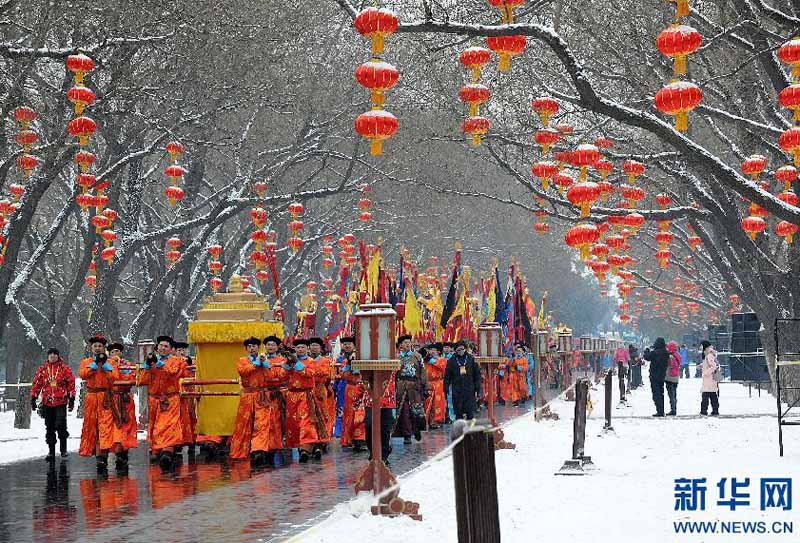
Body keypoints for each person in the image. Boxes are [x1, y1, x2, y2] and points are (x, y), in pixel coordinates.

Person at [229, 337, 287, 466]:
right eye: (249, 346)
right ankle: (241, 451)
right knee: (244, 424)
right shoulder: (242, 360)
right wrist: (256, 364)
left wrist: (265, 365)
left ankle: (258, 450)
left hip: (262, 395)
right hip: (248, 396)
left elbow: (273, 378)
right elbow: (243, 372)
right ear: (246, 349)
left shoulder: (270, 360)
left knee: (262, 423)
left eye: (254, 346)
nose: (252, 348)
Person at [138, 335, 184, 470]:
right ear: (157, 348)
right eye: (161, 346)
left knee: (168, 426)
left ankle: (167, 450)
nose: (163, 348)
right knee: (155, 425)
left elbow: (173, 373)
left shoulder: (176, 361)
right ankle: (156, 450)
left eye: (166, 346)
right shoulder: (152, 361)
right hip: (154, 399)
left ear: (171, 349)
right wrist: (147, 366)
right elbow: (141, 381)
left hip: (170, 399)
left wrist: (160, 365)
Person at [78, 335, 121, 471]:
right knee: (92, 426)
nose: (97, 348)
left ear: (104, 348)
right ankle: (96, 452)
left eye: (100, 346)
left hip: (105, 398)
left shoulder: (111, 363)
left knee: (105, 426)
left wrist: (105, 366)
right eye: (95, 346)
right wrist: (95, 366)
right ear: (92, 348)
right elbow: (82, 374)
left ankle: (102, 454)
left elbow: (115, 377)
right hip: (91, 397)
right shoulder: (86, 362)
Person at [283, 339, 328, 462]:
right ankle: (306, 447)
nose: (300, 350)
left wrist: (297, 363)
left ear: (307, 349)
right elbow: (282, 375)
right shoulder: (290, 362)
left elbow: (309, 373)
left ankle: (305, 449)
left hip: (306, 396)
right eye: (298, 348)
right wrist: (287, 365)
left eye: (303, 347)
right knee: (294, 424)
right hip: (292, 397)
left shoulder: (311, 362)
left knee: (306, 422)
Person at [30, 348, 76, 461]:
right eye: (50, 354)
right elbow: (37, 384)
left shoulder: (64, 369)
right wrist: (33, 397)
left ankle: (63, 450)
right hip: (47, 402)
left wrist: (71, 399)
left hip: (60, 401)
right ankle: (51, 451)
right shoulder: (43, 369)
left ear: (58, 356)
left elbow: (71, 383)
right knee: (49, 427)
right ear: (48, 356)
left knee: (61, 425)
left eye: (55, 354)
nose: (52, 356)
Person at [107, 342, 138, 470]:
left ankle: (124, 451)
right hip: (111, 399)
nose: (116, 354)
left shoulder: (127, 365)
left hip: (125, 399)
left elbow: (132, 377)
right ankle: (116, 450)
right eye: (113, 352)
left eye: (117, 352)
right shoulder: (106, 365)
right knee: (113, 427)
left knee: (127, 425)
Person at [392, 335, 428, 444]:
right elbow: (393, 375)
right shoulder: (397, 358)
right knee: (404, 411)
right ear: (401, 345)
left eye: (409, 342)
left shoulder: (417, 356)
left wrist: (424, 386)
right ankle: (407, 435)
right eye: (405, 342)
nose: (408, 344)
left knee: (416, 411)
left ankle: (417, 430)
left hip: (414, 386)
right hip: (401, 387)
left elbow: (423, 372)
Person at [364, 363, 396, 464]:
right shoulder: (367, 361)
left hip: (387, 401)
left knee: (385, 429)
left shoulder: (392, 362)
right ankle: (373, 452)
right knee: (369, 426)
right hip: (370, 401)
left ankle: (384, 454)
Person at [338, 336, 366, 451]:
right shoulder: (343, 360)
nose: (347, 345)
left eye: (349, 343)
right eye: (345, 344)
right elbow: (343, 376)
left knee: (360, 413)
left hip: (362, 387)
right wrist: (349, 364)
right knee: (349, 413)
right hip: (349, 389)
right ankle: (350, 438)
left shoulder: (362, 357)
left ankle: (360, 438)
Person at [443, 341, 482, 420]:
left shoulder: (471, 359)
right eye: (458, 350)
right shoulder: (452, 360)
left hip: (469, 389)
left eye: (462, 349)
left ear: (465, 349)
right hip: (457, 390)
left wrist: (478, 388)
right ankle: (460, 430)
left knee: (470, 413)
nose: (460, 351)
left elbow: (477, 375)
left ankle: (470, 430)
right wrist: (446, 388)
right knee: (458, 413)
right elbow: (447, 376)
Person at [308, 337, 334, 452]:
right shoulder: (306, 360)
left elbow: (324, 374)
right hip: (308, 391)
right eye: (312, 345)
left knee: (323, 414)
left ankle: (323, 438)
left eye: (316, 346)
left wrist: (309, 370)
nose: (314, 348)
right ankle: (312, 438)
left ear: (321, 348)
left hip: (320, 390)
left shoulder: (325, 361)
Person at [174, 341, 197, 456]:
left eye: (183, 350)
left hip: (190, 393)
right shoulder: (172, 362)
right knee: (179, 419)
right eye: (179, 350)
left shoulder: (191, 361)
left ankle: (192, 441)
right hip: (177, 395)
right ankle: (178, 443)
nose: (182, 352)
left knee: (191, 417)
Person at [643, 338, 669, 417]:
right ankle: (661, 410)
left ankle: (659, 411)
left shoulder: (655, 352)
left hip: (654, 375)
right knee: (661, 393)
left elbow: (647, 357)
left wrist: (646, 351)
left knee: (656, 393)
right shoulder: (666, 352)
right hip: (662, 375)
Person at [423, 343, 447, 429]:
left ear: (438, 351)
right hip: (428, 383)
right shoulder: (425, 360)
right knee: (427, 403)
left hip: (438, 384)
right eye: (430, 350)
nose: (432, 351)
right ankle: (426, 421)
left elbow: (442, 367)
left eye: (434, 350)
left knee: (437, 404)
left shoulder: (442, 359)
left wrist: (433, 361)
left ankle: (435, 421)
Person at [700, 340, 720, 416]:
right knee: (712, 395)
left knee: (706, 396)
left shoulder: (709, 355)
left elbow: (713, 366)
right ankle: (715, 410)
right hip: (710, 380)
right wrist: (702, 365)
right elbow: (709, 364)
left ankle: (704, 411)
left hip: (709, 379)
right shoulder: (709, 355)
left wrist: (705, 372)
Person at [665, 341, 681, 416]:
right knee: (674, 394)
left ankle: (673, 409)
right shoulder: (677, 355)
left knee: (671, 394)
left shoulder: (670, 356)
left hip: (670, 377)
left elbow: (670, 365)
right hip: (676, 376)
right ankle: (674, 408)